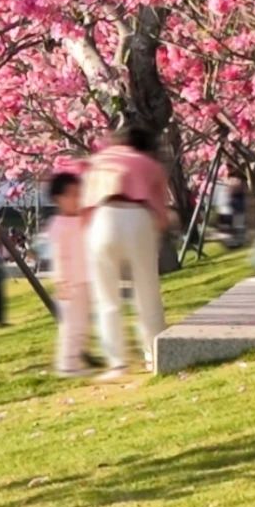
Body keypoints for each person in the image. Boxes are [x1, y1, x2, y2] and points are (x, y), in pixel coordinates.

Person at [82, 124, 172, 379]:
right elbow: (160, 209)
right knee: (147, 293)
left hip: (103, 217)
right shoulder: (148, 164)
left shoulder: (99, 161)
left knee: (107, 299)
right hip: (138, 217)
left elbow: (86, 206)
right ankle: (154, 356)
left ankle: (117, 363)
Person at [47, 170, 91, 375]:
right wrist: (62, 282)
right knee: (71, 326)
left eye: (78, 193)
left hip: (85, 279)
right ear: (59, 199)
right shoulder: (59, 225)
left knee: (81, 324)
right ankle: (68, 364)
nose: (77, 199)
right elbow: (59, 256)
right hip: (70, 284)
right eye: (72, 195)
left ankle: (75, 361)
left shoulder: (82, 219)